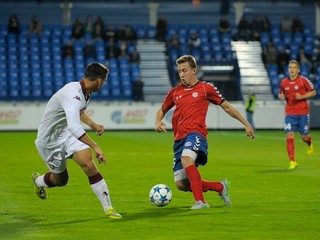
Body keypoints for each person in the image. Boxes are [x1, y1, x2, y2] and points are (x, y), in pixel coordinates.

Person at [154, 55, 255, 209]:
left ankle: (200, 202)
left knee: (188, 159)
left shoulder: (205, 88)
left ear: (194, 70)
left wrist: (246, 123)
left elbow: (226, 106)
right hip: (179, 139)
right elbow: (161, 110)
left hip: (196, 134)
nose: (181, 74)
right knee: (181, 184)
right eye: (179, 71)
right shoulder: (175, 92)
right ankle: (220, 187)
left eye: (185, 70)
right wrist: (157, 122)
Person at [32, 62, 122, 219]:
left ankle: (109, 209)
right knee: (61, 180)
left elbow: (77, 113)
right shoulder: (72, 94)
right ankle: (39, 181)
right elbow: (74, 126)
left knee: (89, 165)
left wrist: (93, 125)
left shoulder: (85, 93)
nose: (103, 85)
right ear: (99, 80)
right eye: (104, 81)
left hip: (66, 134)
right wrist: (95, 146)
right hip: (49, 141)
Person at [278, 60, 316, 170]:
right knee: (289, 135)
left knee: (304, 136)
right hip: (290, 113)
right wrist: (281, 96)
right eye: (290, 67)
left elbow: (313, 92)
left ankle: (309, 142)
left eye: (294, 67)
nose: (292, 69)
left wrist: (303, 96)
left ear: (298, 70)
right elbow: (281, 93)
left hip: (303, 112)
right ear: (288, 69)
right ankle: (292, 161)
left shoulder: (303, 80)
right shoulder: (284, 82)